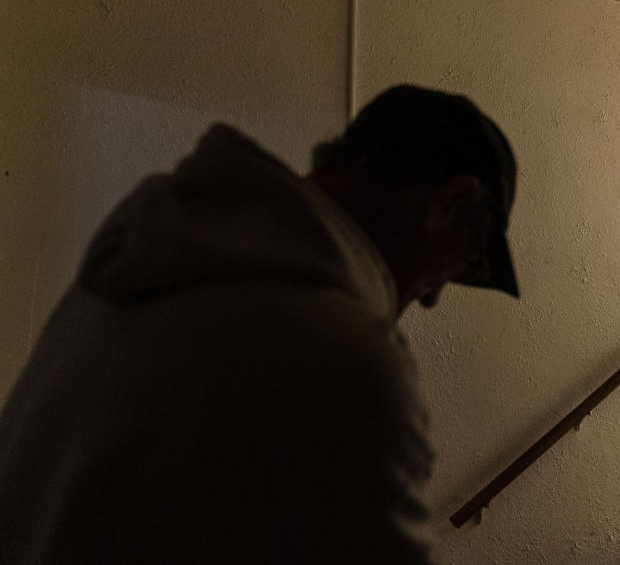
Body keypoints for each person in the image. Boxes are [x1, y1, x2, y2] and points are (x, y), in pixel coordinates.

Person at [0, 85, 519, 563]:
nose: (432, 297)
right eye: (467, 261)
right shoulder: (342, 354)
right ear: (451, 204)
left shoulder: (120, 277)